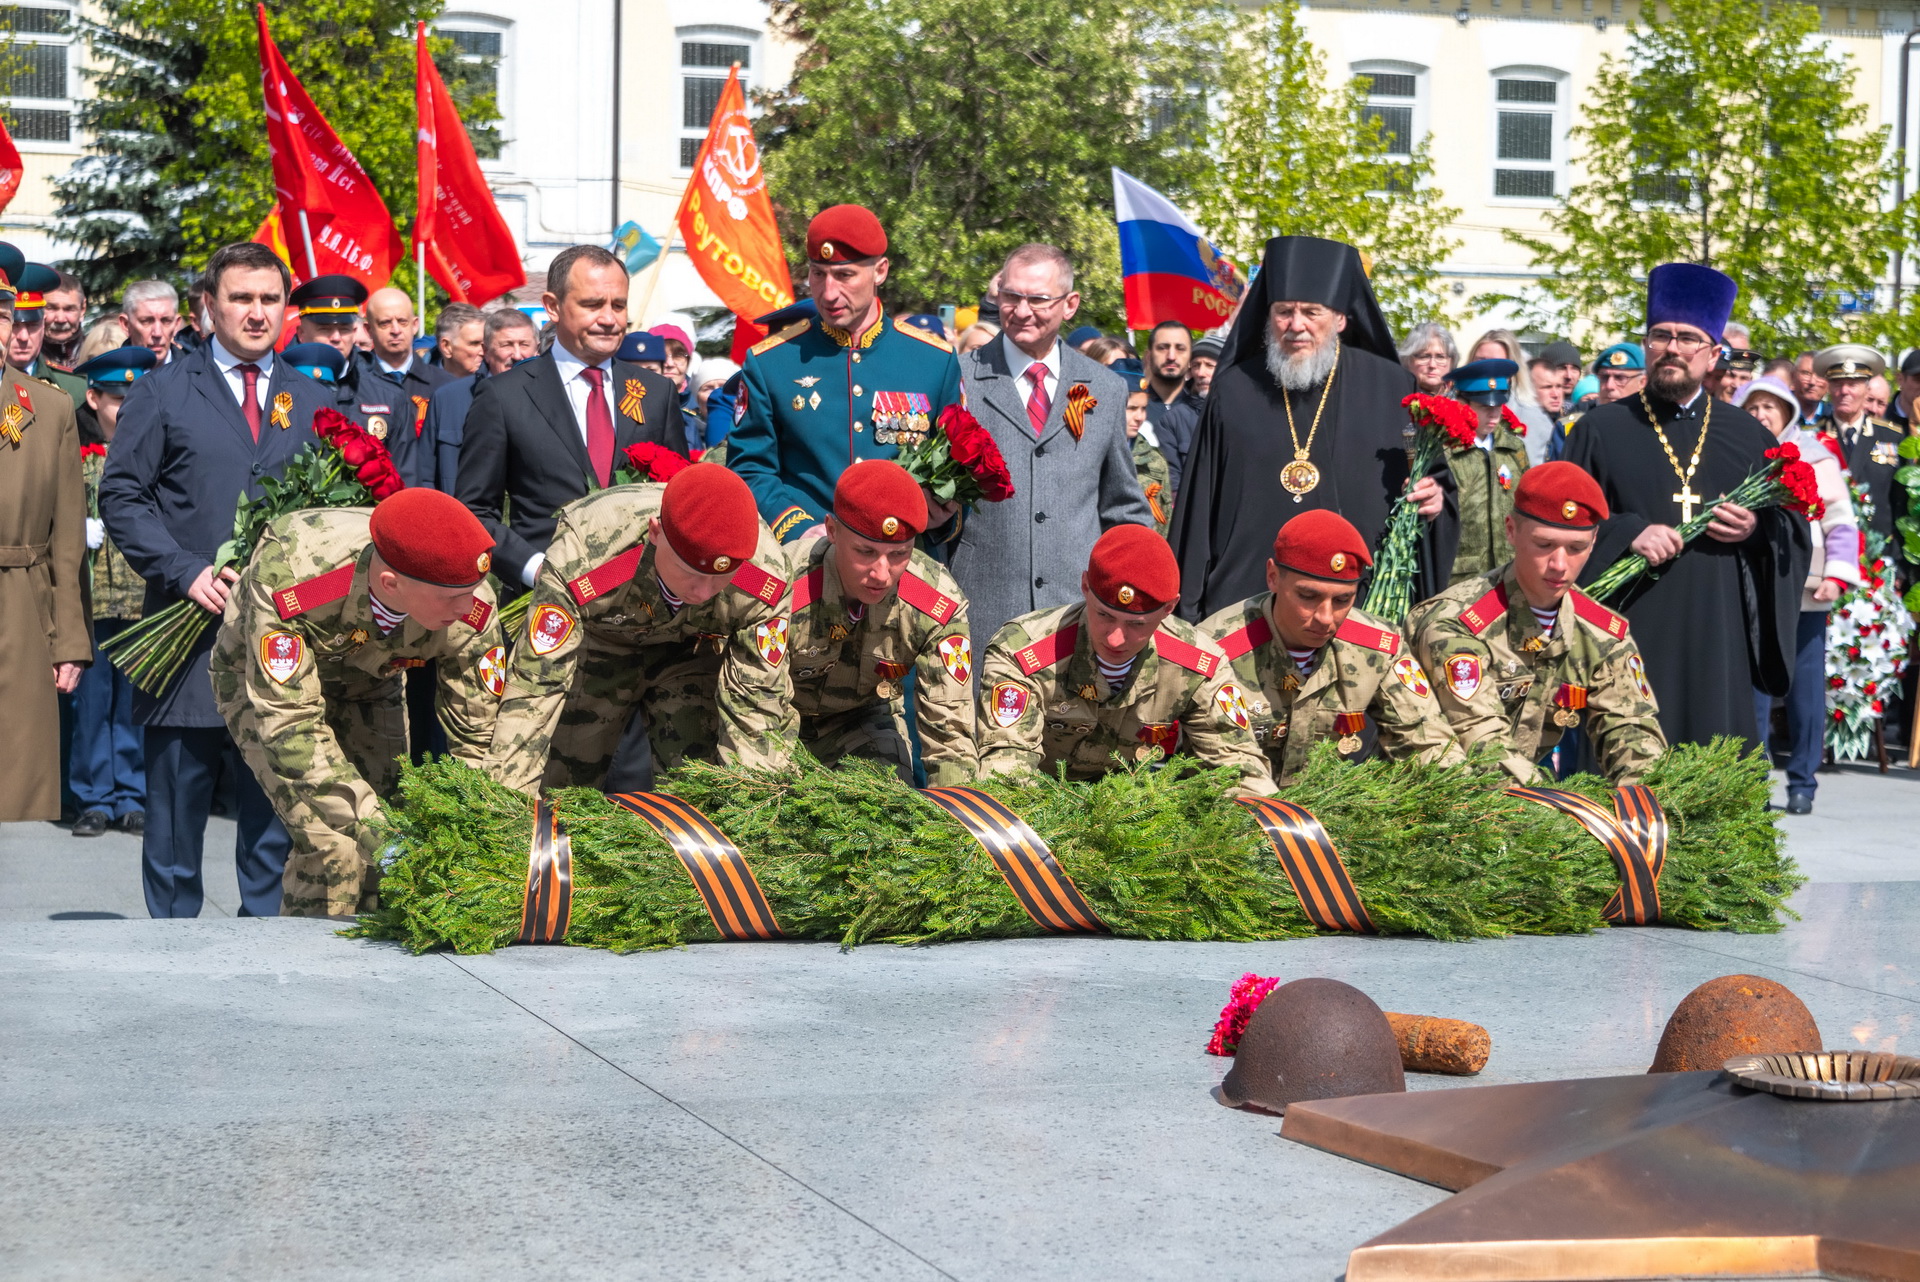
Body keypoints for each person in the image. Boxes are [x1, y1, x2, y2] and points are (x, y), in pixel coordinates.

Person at [98, 241, 333, 918]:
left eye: (269, 300)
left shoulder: (312, 397)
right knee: (176, 810)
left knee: (269, 816)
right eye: (241, 298)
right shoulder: (165, 391)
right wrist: (184, 570)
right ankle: (173, 946)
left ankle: (264, 941)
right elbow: (122, 496)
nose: (257, 314)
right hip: (187, 636)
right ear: (207, 306)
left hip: (280, 643)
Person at [211, 489, 505, 916]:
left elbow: (478, 735)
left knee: (389, 840)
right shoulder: (296, 571)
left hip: (370, 680)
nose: (469, 607)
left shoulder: (468, 597)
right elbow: (291, 724)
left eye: (473, 591)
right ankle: (313, 971)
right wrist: (380, 835)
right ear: (391, 584)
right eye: (451, 599)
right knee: (335, 847)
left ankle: (378, 969)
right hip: (265, 690)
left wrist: (476, 823)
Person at [1563, 262, 1810, 749]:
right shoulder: (1600, 429)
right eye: (1660, 336)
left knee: (1713, 762)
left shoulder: (1749, 436)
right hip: (1624, 626)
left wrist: (1756, 529)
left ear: (1713, 353)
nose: (1672, 348)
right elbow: (1565, 516)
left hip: (1718, 633)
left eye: (1687, 337)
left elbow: (1792, 531)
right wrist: (1626, 531)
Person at [1169, 235, 1455, 621]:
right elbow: (1199, 507)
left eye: (1312, 312)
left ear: (1340, 318)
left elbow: (1433, 485)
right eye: (1284, 311)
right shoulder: (1234, 388)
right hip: (1243, 612)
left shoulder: (1391, 387)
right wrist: (1186, 614)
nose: (1296, 325)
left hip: (1357, 610)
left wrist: (1434, 498)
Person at [485, 464, 794, 793]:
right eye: (689, 571)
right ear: (656, 532)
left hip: (692, 652)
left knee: (698, 786)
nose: (703, 592)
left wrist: (754, 812)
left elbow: (757, 703)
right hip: (600, 645)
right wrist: (505, 810)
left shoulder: (765, 576)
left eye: (721, 577)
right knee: (564, 785)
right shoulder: (587, 556)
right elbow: (536, 686)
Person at [1408, 462, 1665, 784]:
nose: (1559, 565)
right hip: (1432, 795)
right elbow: (1481, 739)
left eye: (1577, 548)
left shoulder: (1601, 633)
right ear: (1511, 531)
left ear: (1594, 541)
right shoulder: (1456, 622)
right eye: (1544, 545)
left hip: (1522, 794)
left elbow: (1632, 730)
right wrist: (1553, 813)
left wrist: (1643, 802)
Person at [977, 524, 1276, 795]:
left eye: (1137, 624)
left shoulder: (1197, 663)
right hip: (1038, 803)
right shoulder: (1025, 651)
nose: (1115, 639)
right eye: (1104, 615)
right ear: (1084, 586)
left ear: (1169, 608)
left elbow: (1238, 767)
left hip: (1138, 815)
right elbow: (1006, 769)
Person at [951, 243, 1151, 645]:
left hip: (1073, 616)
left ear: (1070, 304)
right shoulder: (960, 378)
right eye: (1011, 296)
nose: (1021, 310)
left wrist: (1133, 590)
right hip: (982, 609)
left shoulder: (1106, 389)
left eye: (1038, 299)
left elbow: (1123, 505)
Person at [729, 204, 964, 543]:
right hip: (806, 559)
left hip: (904, 559)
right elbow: (750, 469)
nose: (828, 293)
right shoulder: (771, 361)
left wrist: (940, 514)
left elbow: (960, 465)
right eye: (817, 274)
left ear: (880, 271)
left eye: (845, 275)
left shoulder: (933, 360)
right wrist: (797, 527)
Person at [456, 244, 682, 592]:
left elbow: (678, 500)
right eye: (592, 304)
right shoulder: (505, 396)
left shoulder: (657, 394)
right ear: (553, 307)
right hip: (542, 604)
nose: (609, 319)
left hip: (641, 604)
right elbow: (474, 512)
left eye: (618, 305)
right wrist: (537, 571)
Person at [1200, 509, 1460, 786]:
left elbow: (1428, 741)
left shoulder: (1378, 647)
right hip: (1238, 813)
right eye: (1308, 596)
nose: (1326, 618)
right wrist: (1290, 825)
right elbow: (1225, 768)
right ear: (1273, 577)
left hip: (1335, 810)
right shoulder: (1216, 650)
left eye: (1342, 600)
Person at [783, 460, 977, 784]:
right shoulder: (783, 587)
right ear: (831, 530)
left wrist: (957, 823)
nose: (881, 574)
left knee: (889, 818)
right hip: (777, 715)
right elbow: (754, 700)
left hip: (862, 719)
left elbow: (951, 735)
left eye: (900, 554)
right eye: (865, 551)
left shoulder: (936, 603)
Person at [1735, 374, 1859, 814]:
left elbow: (1841, 521)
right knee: (1755, 689)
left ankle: (1803, 782)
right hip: (1751, 590)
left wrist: (1838, 576)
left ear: (1788, 412)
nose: (1761, 414)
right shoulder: (1732, 452)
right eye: (1753, 407)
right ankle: (1751, 777)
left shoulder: (1814, 456)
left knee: (1804, 687)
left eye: (1771, 407)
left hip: (1806, 589)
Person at [0, 251, 87, 824]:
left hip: (21, 613)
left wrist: (71, 642)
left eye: (0, 313)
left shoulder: (50, 408)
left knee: (13, 791)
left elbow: (67, 539)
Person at [68, 347, 158, 837]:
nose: (126, 409)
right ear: (95, 399)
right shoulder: (76, 456)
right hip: (92, 599)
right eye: (116, 398)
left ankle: (132, 795)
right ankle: (92, 798)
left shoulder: (155, 453)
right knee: (91, 704)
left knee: (134, 705)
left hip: (144, 599)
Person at [423, 308, 538, 495]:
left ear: (537, 348)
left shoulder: (554, 397)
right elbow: (426, 477)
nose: (517, 355)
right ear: (486, 350)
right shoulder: (447, 399)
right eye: (507, 345)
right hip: (462, 519)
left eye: (524, 344)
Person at [1441, 358, 1530, 585]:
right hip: (1461, 575)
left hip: (1510, 571)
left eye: (1498, 407)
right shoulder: (1446, 451)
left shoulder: (1513, 448)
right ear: (1462, 403)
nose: (1493, 415)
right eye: (1484, 407)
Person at [1812, 345, 1907, 555]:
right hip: (1828, 553)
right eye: (1837, 383)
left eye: (1852, 384)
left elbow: (1901, 504)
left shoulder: (1892, 437)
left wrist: (1897, 561)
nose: (1844, 391)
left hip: (1878, 558)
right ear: (1828, 387)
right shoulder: (1812, 437)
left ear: (1866, 390)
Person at [1552, 343, 1644, 462]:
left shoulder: (1655, 424)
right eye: (1604, 378)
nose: (1610, 386)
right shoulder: (1570, 427)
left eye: (1620, 378)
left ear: (1642, 383)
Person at [1464, 329, 1552, 451]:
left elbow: (1530, 468)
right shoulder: (1452, 406)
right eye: (1480, 361)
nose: (1486, 369)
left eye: (1497, 364)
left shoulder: (1532, 418)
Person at [1156, 333, 1222, 491]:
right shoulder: (1172, 420)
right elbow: (1171, 480)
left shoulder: (1243, 414)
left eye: (1209, 366)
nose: (1200, 373)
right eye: (1196, 365)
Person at [1115, 360, 1171, 536]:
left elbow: (1165, 519)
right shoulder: (1089, 454)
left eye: (1143, 408)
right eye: (1131, 408)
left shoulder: (1155, 460)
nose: (1139, 417)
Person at [620, 331, 701, 448]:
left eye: (651, 371)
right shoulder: (606, 410)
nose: (642, 378)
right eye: (633, 371)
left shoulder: (681, 419)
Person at [1142, 320, 1201, 439]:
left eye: (1180, 348)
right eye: (1163, 348)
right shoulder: (1129, 409)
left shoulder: (1204, 411)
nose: (1171, 356)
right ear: (1149, 356)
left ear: (1191, 358)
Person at [117, 279, 183, 363]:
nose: (157, 333)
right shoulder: (110, 375)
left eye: (166, 321)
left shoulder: (198, 373)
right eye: (146, 321)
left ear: (176, 324)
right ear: (126, 324)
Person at [1397, 321, 1456, 396]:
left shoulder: (1462, 400)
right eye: (1424, 356)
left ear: (1451, 361)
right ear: (1407, 360)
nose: (1432, 365)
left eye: (1440, 357)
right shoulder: (1396, 394)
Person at [41, 270, 85, 369]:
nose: (60, 319)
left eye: (69, 309)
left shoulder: (94, 354)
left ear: (82, 309)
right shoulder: (24, 359)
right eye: (51, 308)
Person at [435, 303, 485, 378]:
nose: (484, 352)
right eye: (475, 343)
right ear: (446, 347)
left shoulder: (497, 383)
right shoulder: (420, 385)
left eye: (487, 342)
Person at [1791, 350, 1828, 428]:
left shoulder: (1835, 418)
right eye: (1806, 373)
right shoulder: (1779, 413)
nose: (1812, 382)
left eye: (1820, 375)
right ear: (1793, 376)